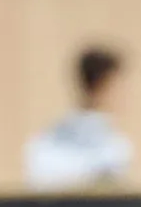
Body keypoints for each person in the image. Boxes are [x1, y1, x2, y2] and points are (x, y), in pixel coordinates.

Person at [24, 45, 134, 189]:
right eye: (120, 86)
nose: (125, 95)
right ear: (103, 85)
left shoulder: (117, 145)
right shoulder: (47, 144)